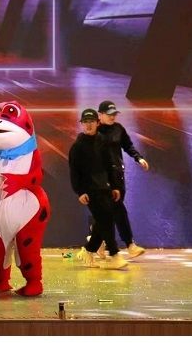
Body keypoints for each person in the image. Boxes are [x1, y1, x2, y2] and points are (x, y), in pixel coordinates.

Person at [70, 109, 127, 270]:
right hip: (89, 190)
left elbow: (110, 166)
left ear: (97, 123)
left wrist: (115, 186)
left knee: (104, 220)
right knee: (105, 219)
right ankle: (114, 254)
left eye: (91, 122)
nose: (88, 125)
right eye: (85, 122)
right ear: (82, 124)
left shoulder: (103, 142)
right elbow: (74, 172)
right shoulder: (77, 146)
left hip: (105, 187)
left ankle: (88, 250)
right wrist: (80, 191)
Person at [97, 100, 148, 258]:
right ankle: (130, 244)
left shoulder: (118, 129)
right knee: (118, 210)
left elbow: (128, 146)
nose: (112, 117)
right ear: (100, 115)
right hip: (102, 178)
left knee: (110, 212)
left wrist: (138, 158)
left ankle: (97, 241)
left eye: (114, 114)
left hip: (118, 176)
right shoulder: (95, 131)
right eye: (109, 114)